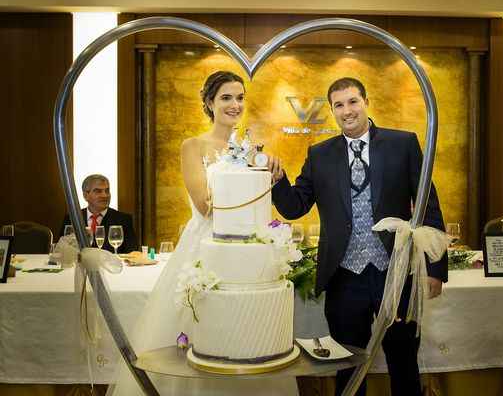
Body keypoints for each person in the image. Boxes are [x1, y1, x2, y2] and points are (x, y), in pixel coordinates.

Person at [108, 71, 298, 396]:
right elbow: (203, 204)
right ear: (210, 102)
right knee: (202, 330)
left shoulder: (252, 149)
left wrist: (272, 173)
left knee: (244, 327)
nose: (234, 104)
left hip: (245, 250)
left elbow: (258, 204)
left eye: (239, 97)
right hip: (205, 246)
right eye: (226, 97)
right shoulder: (193, 146)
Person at [269, 77, 447, 396]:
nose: (346, 110)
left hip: (396, 272)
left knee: (404, 362)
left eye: (353, 102)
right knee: (348, 369)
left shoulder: (402, 143)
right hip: (344, 278)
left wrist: (435, 269)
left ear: (366, 102)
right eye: (339, 105)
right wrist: (278, 180)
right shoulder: (320, 154)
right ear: (332, 111)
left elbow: (427, 204)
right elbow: (295, 206)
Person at [61, 174, 138, 253]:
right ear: (85, 196)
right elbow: (62, 250)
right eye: (98, 191)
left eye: (107, 191)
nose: (105, 195)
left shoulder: (123, 219)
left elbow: (132, 253)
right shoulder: (72, 218)